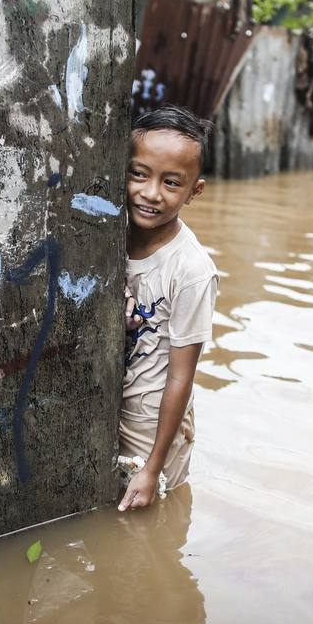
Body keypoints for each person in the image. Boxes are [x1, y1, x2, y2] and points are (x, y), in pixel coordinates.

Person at [118, 106, 218, 512]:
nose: (151, 193)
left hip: (153, 426)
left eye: (171, 182)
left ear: (195, 191)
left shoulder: (192, 272)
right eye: (139, 174)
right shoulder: (109, 231)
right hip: (111, 405)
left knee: (150, 524)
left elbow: (181, 378)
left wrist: (153, 467)